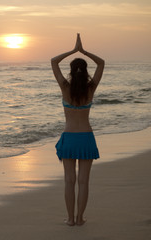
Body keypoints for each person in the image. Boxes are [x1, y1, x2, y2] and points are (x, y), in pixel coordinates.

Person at [50, 33, 105, 226]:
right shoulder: (90, 89)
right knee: (83, 182)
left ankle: (70, 219)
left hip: (69, 138)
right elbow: (102, 63)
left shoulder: (65, 87)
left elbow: (53, 62)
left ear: (72, 71)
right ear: (85, 71)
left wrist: (73, 50)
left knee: (69, 181)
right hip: (86, 138)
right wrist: (84, 51)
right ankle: (80, 218)